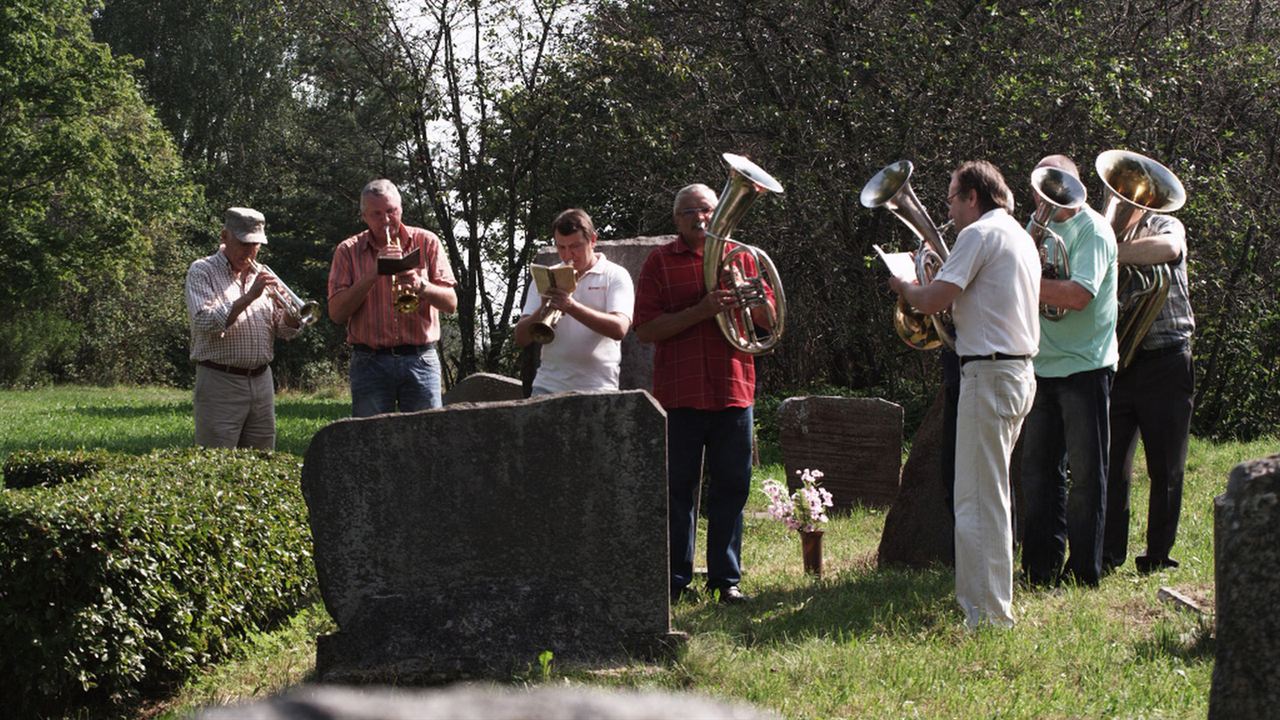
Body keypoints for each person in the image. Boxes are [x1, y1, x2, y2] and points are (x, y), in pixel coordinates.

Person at [888, 160, 1039, 629]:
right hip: (1013, 373)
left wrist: (903, 284)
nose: (949, 209)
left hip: (990, 375)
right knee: (988, 495)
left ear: (973, 196)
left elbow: (933, 300)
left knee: (980, 500)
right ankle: (979, 603)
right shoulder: (1017, 235)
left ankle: (989, 614)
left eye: (952, 198)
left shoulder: (978, 235)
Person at [634, 183, 775, 605]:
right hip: (680, 393)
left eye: (708, 211)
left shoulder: (743, 257)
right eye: (690, 212)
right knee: (678, 489)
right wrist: (703, 309)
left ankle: (725, 580)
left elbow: (769, 321)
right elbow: (645, 329)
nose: (700, 219)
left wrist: (746, 297)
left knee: (732, 487)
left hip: (734, 389)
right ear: (676, 219)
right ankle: (676, 580)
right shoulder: (660, 261)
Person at [1017, 154, 1118, 588]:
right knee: (1037, 475)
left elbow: (1078, 295)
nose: (1047, 198)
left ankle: (1083, 573)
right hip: (1042, 365)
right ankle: (1040, 570)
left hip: (1085, 367)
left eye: (1056, 186)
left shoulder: (1092, 229)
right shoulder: (1037, 228)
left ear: (1076, 185)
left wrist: (1024, 284)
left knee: (1085, 477)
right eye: (1042, 188)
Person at [1103, 213, 1193, 574]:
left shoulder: (1162, 225)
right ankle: (1108, 555)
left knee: (1166, 466)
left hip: (1168, 359)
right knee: (1112, 467)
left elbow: (1170, 249)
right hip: (1122, 362)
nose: (1125, 205)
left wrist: (1114, 252)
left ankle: (1158, 556)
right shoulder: (1105, 228)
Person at [328, 179, 457, 417]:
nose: (386, 220)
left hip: (421, 359)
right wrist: (373, 274)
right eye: (376, 214)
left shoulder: (427, 241)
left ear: (401, 209)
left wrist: (421, 286)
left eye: (391, 211)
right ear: (364, 216)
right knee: (371, 440)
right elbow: (336, 313)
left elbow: (451, 303)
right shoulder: (347, 250)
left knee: (427, 437)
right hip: (369, 362)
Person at [186, 207, 300, 449]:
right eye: (244, 243)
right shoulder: (202, 270)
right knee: (217, 459)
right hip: (220, 381)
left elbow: (283, 330)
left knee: (262, 459)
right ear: (224, 237)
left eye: (256, 244)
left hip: (262, 381)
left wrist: (293, 316)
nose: (250, 251)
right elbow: (204, 321)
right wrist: (248, 297)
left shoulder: (264, 274)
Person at [514, 209, 634, 394]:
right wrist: (542, 308)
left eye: (575, 246)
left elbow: (619, 329)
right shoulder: (547, 276)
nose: (568, 255)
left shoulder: (615, 275)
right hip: (547, 386)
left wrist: (570, 306)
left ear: (593, 240)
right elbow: (521, 338)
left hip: (599, 388)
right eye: (561, 247)